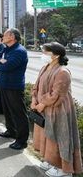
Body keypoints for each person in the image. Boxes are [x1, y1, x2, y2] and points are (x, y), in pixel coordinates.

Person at [31, 42, 82, 176]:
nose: (43, 54)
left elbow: (57, 94)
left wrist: (41, 104)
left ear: (56, 55)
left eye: (46, 52)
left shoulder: (63, 72)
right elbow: (36, 86)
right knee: (47, 135)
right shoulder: (45, 67)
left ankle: (63, 169)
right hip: (45, 108)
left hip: (59, 109)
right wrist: (34, 100)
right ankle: (50, 160)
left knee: (60, 136)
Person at [0, 28, 29, 150]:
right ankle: (11, 131)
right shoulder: (6, 48)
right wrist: (0, 61)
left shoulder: (19, 51)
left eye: (5, 35)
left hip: (14, 86)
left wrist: (1, 64)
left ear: (12, 37)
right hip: (4, 84)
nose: (3, 37)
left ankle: (22, 140)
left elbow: (7, 66)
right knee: (8, 111)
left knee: (18, 113)